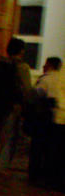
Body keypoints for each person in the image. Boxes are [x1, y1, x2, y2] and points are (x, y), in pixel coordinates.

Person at [0, 37, 31, 174]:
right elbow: (27, 89)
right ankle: (0, 167)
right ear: (21, 50)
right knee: (7, 138)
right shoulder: (21, 67)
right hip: (10, 106)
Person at [29, 57, 64, 189]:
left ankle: (35, 174)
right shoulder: (59, 79)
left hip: (44, 118)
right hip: (57, 119)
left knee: (38, 147)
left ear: (49, 65)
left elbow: (36, 94)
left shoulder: (46, 79)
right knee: (53, 148)